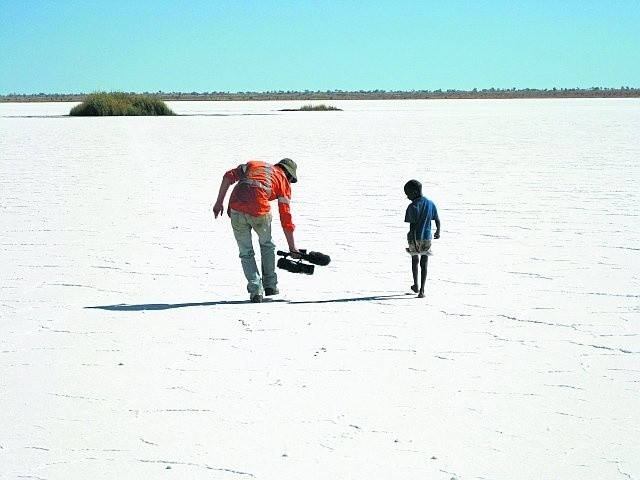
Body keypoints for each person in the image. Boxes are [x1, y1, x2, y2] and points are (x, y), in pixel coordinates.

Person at [213, 158, 299, 303]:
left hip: (236, 208)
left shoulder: (254, 165)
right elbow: (286, 217)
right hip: (259, 210)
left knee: (245, 252)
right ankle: (270, 285)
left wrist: (219, 202)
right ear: (288, 174)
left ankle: (256, 292)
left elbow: (228, 175)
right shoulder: (283, 181)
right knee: (267, 245)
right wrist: (292, 246)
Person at [404, 179, 440, 298]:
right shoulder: (430, 203)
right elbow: (437, 220)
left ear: (414, 192)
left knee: (415, 261)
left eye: (408, 194)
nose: (407, 197)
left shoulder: (413, 206)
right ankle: (422, 291)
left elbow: (412, 226)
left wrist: (413, 241)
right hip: (427, 238)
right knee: (424, 263)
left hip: (415, 238)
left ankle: (416, 284)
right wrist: (438, 232)